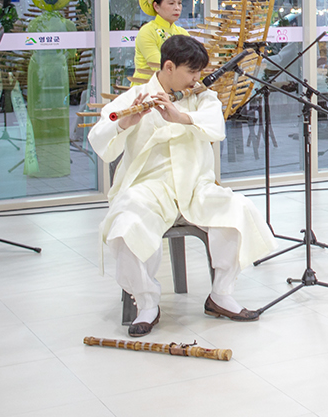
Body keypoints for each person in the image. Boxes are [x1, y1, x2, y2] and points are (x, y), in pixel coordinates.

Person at [90, 35, 275, 336]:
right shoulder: (135, 96)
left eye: (199, 72)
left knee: (239, 209)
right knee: (125, 222)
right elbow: (99, 140)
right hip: (150, 187)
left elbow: (216, 128)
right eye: (191, 72)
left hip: (196, 186)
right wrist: (125, 123)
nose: (196, 78)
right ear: (168, 67)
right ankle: (147, 303)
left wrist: (181, 116)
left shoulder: (202, 97)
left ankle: (221, 295)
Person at [25, 0, 74, 178]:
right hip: (58, 70)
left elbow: (30, 49)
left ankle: (36, 161)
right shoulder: (68, 25)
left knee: (36, 112)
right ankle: (59, 161)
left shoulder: (34, 24)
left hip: (38, 69)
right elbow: (72, 53)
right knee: (60, 112)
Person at [132, 0, 189, 84]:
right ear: (156, 6)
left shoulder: (182, 33)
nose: (177, 8)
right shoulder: (147, 31)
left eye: (179, 3)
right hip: (145, 90)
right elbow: (159, 66)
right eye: (171, 3)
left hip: (174, 88)